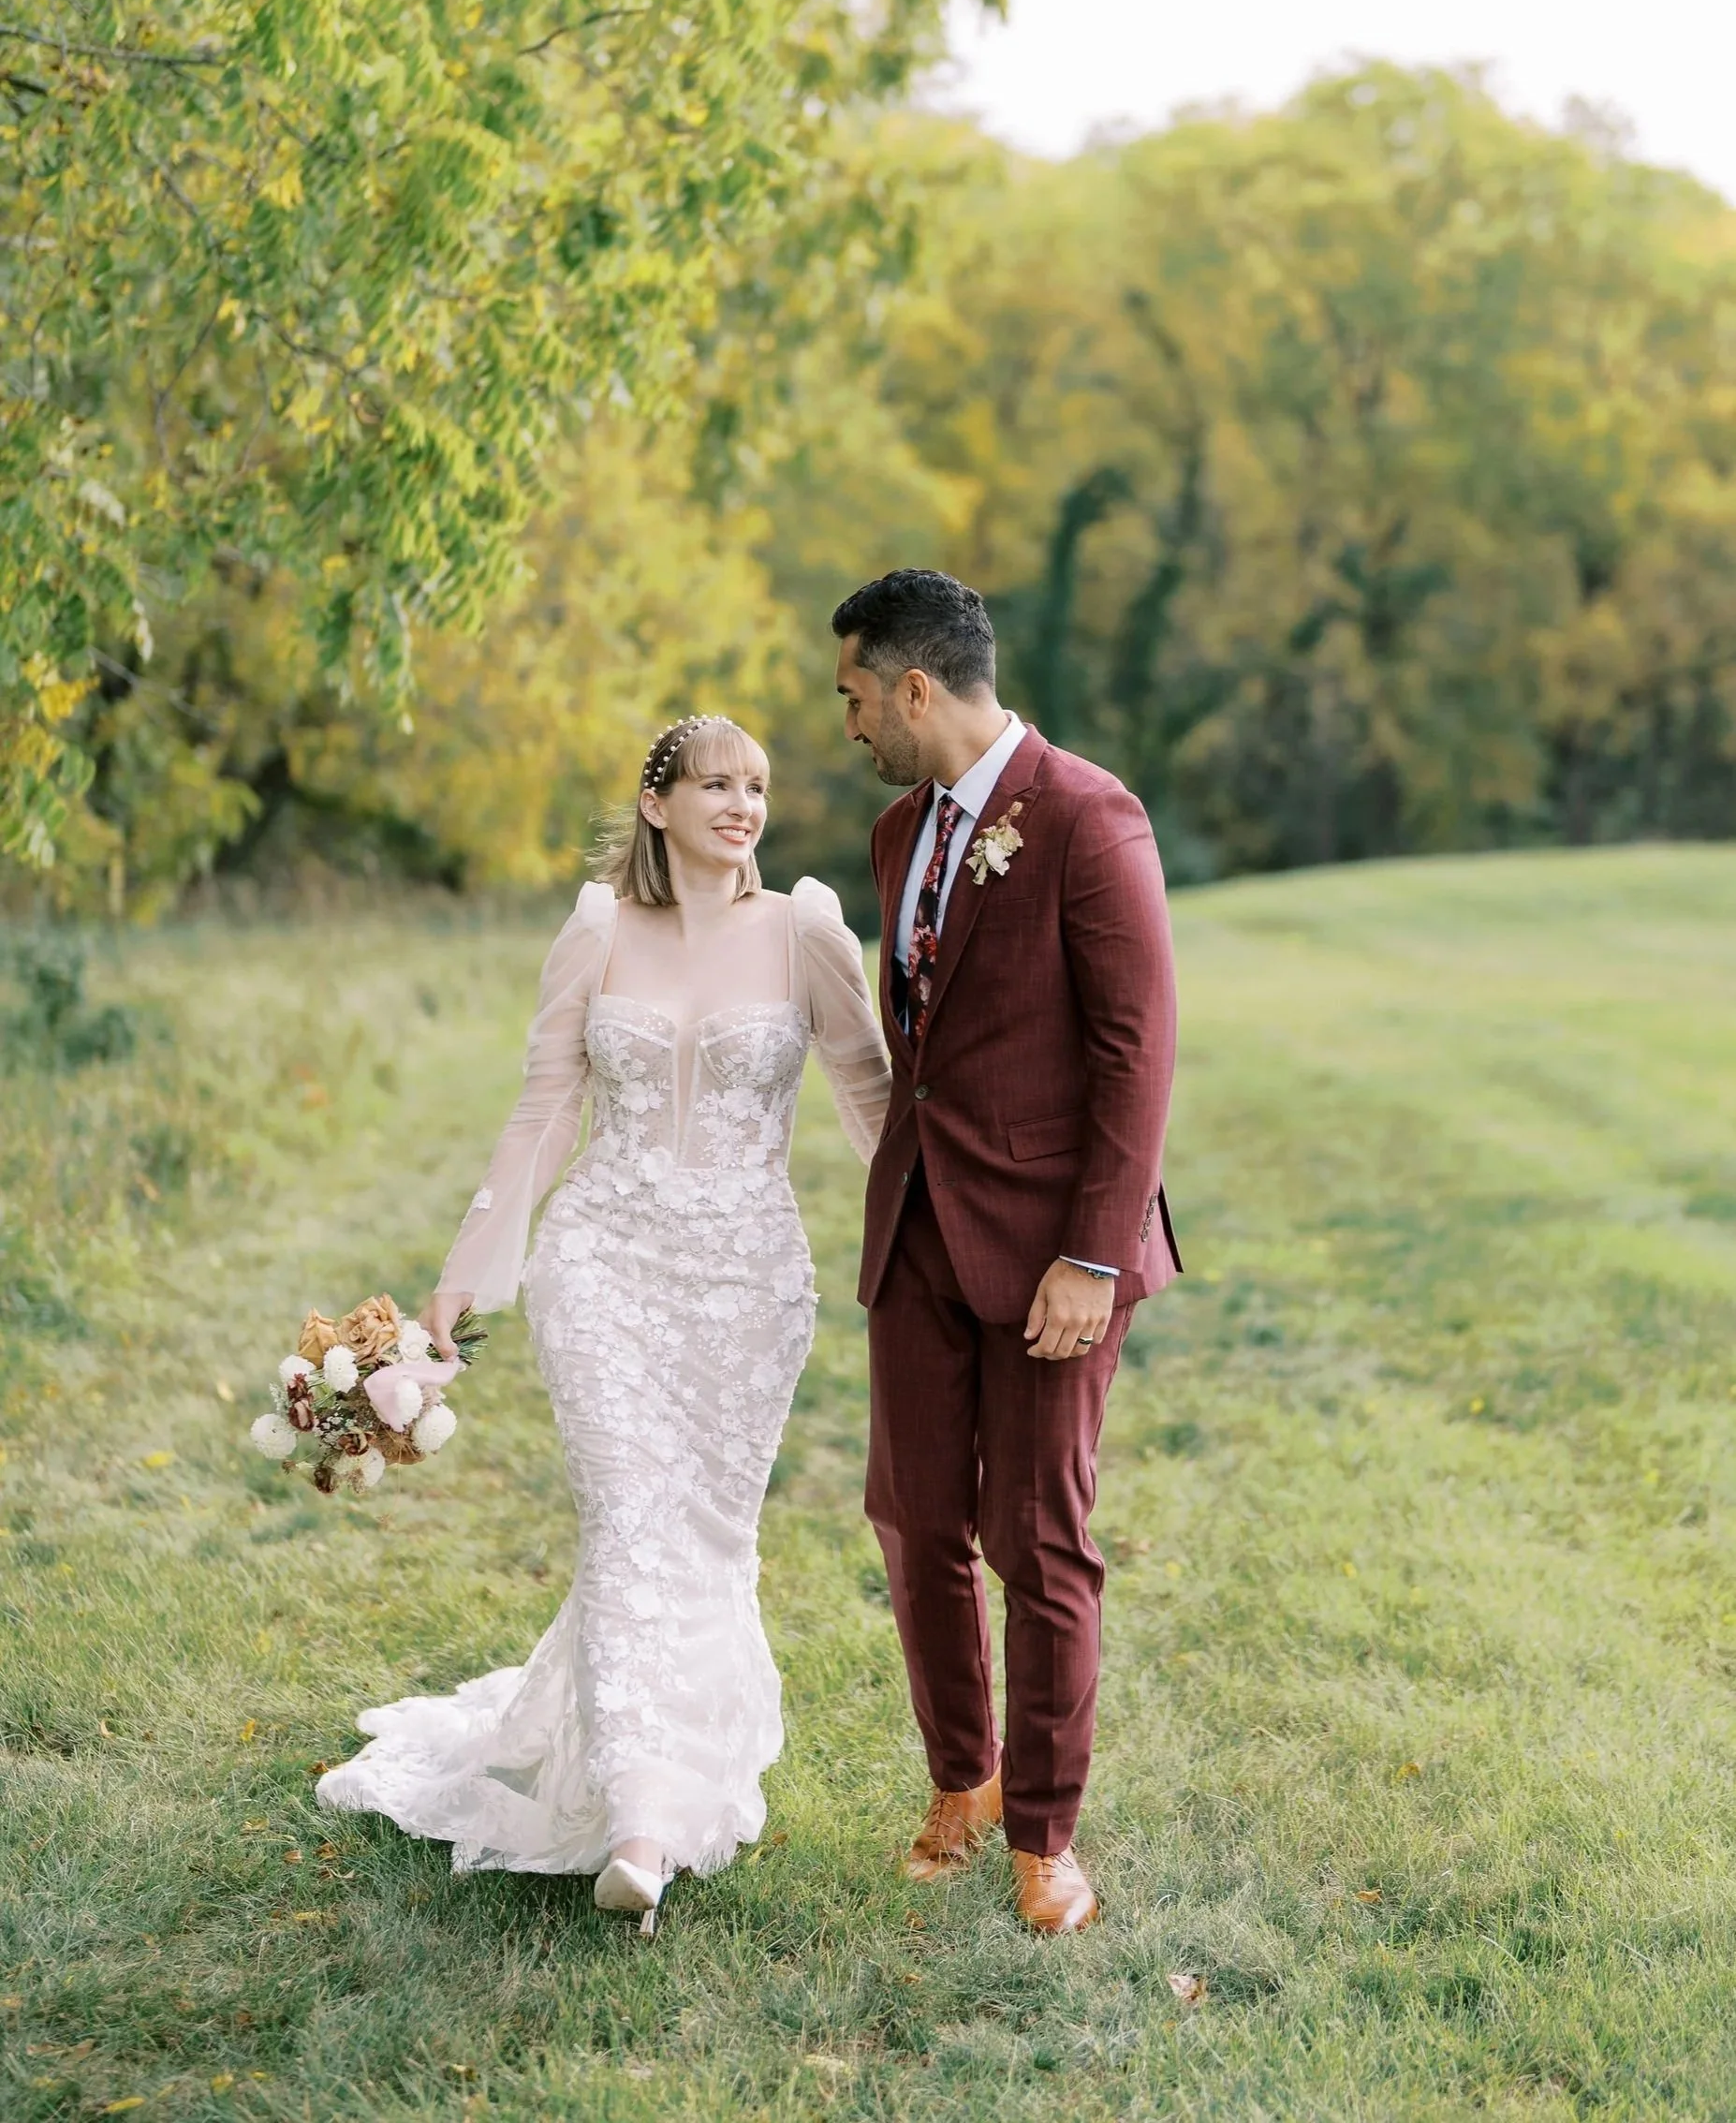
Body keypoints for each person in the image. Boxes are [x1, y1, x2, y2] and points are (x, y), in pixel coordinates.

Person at [316, 715, 890, 1920]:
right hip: (605, 1264)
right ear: (656, 803)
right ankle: (641, 1821)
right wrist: (471, 1268)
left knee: (706, 1535)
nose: (743, 805)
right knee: (630, 1514)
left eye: (759, 787)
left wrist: (933, 1251)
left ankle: (670, 1774)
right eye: (717, 784)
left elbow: (868, 1093)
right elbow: (543, 1107)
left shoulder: (803, 931)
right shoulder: (596, 930)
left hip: (748, 1282)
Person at [832, 568, 1180, 1936]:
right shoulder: (890, 836)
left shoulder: (1090, 816)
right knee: (917, 1526)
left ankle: (1045, 1836)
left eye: (856, 694)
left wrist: (1090, 1259)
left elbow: (1134, 1054)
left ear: (916, 686)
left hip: (1053, 1257)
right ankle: (959, 1785)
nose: (847, 723)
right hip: (916, 1234)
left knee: (1040, 1540)